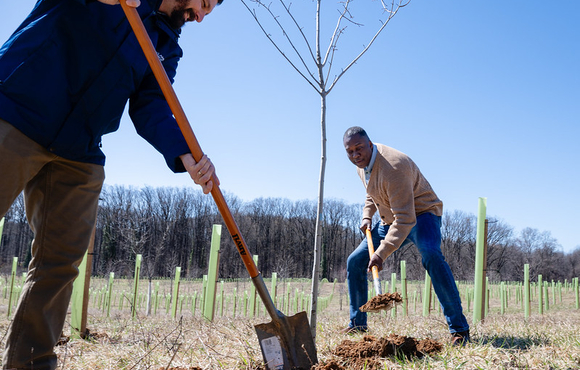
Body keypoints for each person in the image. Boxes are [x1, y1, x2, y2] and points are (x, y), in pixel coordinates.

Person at [0, 0, 223, 368]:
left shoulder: (165, 44)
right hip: (18, 110)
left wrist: (184, 153)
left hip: (80, 148)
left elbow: (151, 104)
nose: (202, 15)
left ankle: (29, 362)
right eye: (204, 3)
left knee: (58, 264)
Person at [342, 126, 470, 345]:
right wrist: (366, 216)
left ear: (370, 145)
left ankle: (459, 329)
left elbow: (406, 219)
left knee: (431, 255)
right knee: (355, 261)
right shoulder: (361, 166)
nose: (355, 155)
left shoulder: (394, 167)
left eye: (359, 148)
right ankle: (358, 323)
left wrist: (381, 254)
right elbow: (373, 192)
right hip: (391, 219)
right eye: (350, 151)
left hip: (421, 215)